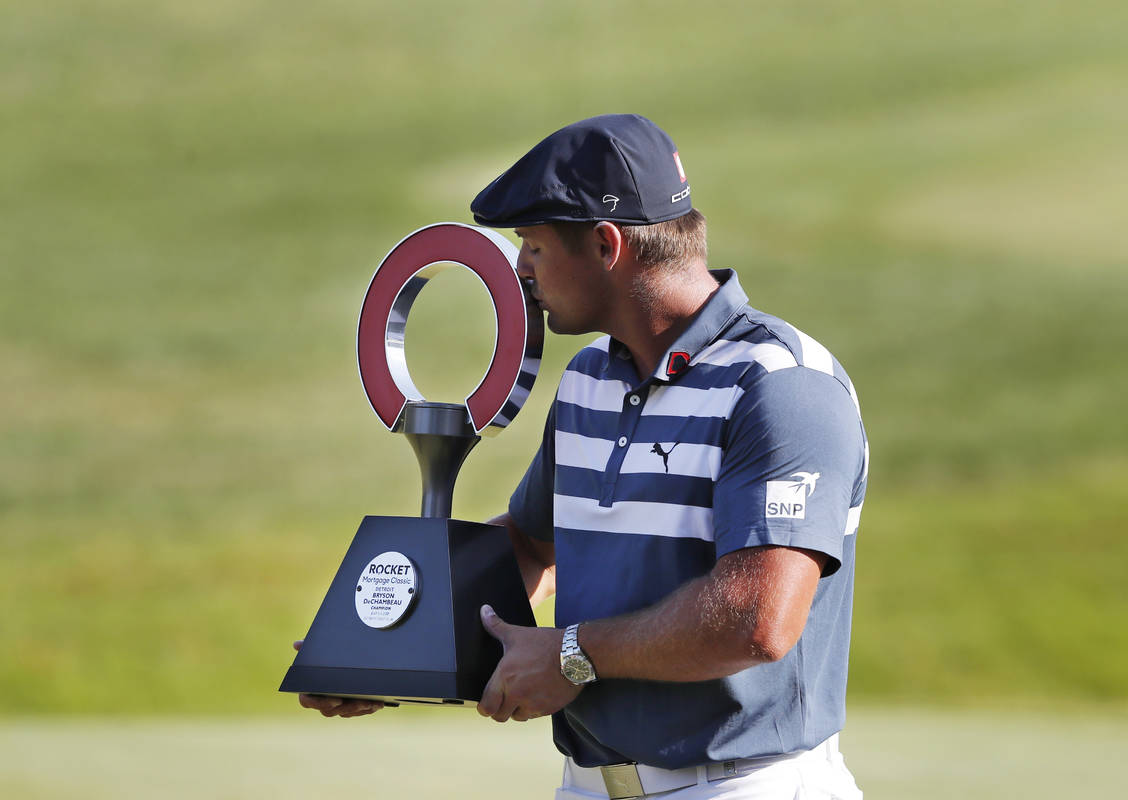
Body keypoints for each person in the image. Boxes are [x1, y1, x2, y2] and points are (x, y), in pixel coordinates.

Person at [301, 114, 868, 800]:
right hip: (588, 786)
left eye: (534, 248)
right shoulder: (590, 380)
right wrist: (381, 648)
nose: (519, 271)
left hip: (745, 787)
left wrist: (572, 656)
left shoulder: (780, 384)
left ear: (605, 245)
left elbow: (756, 620)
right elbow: (531, 549)